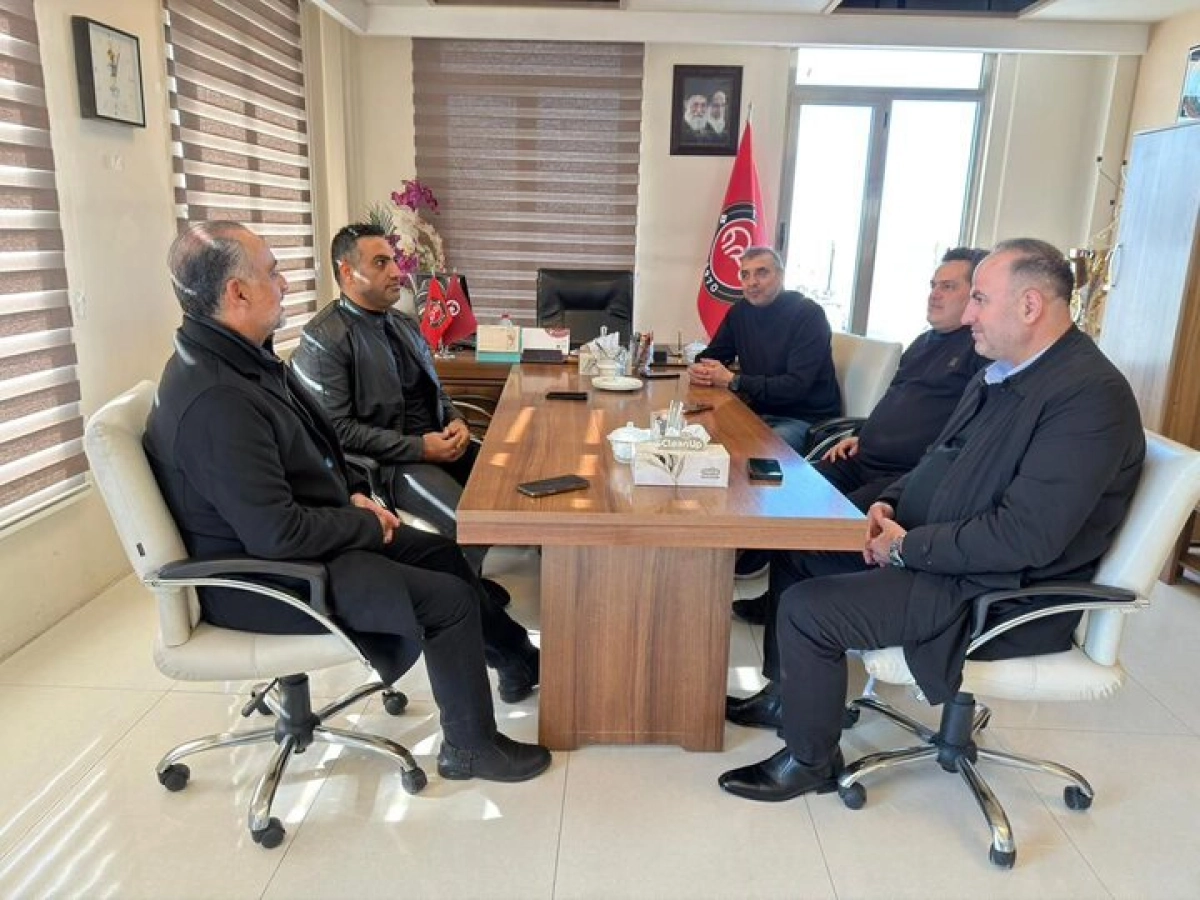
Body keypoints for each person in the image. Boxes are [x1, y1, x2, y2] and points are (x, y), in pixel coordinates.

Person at [719, 239, 1145, 802]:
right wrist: (890, 504)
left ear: (1030, 306)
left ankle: (810, 760)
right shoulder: (1005, 373)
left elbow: (1025, 538)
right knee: (800, 551)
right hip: (945, 556)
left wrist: (906, 547)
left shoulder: (1088, 398)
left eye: (980, 299)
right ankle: (787, 699)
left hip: (995, 591)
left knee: (807, 610)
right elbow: (937, 458)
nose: (968, 315)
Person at [144, 221, 550, 783]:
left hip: (303, 540)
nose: (284, 284)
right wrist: (364, 522)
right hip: (268, 578)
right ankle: (470, 748)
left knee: (444, 556)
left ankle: (518, 659)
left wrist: (353, 494)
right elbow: (276, 534)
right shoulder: (216, 399)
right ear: (237, 293)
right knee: (448, 601)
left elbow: (308, 453)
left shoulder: (242, 359)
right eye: (273, 273)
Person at [731, 246, 989, 627]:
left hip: (900, 476)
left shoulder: (980, 351)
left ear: (976, 295)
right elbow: (895, 400)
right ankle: (773, 596)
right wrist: (861, 432)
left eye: (948, 287)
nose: (934, 294)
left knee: (816, 529)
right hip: (863, 456)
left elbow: (962, 433)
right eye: (933, 285)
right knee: (787, 492)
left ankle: (794, 613)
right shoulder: (924, 342)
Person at [291, 222, 489, 576]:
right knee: (470, 523)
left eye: (394, 260)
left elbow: (435, 391)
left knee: (507, 485)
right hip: (389, 464)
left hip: (438, 443)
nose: (397, 271)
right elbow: (336, 430)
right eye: (381, 263)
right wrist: (420, 448)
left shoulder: (404, 324)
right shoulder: (324, 340)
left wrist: (455, 419)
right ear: (348, 272)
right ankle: (472, 596)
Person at [690, 246, 840, 453]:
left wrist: (733, 380)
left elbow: (795, 387)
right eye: (745, 275)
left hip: (803, 419)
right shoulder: (740, 312)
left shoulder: (808, 315)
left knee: (751, 452)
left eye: (762, 273)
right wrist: (700, 369)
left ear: (780, 275)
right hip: (756, 411)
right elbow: (713, 355)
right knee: (697, 435)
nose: (752, 282)